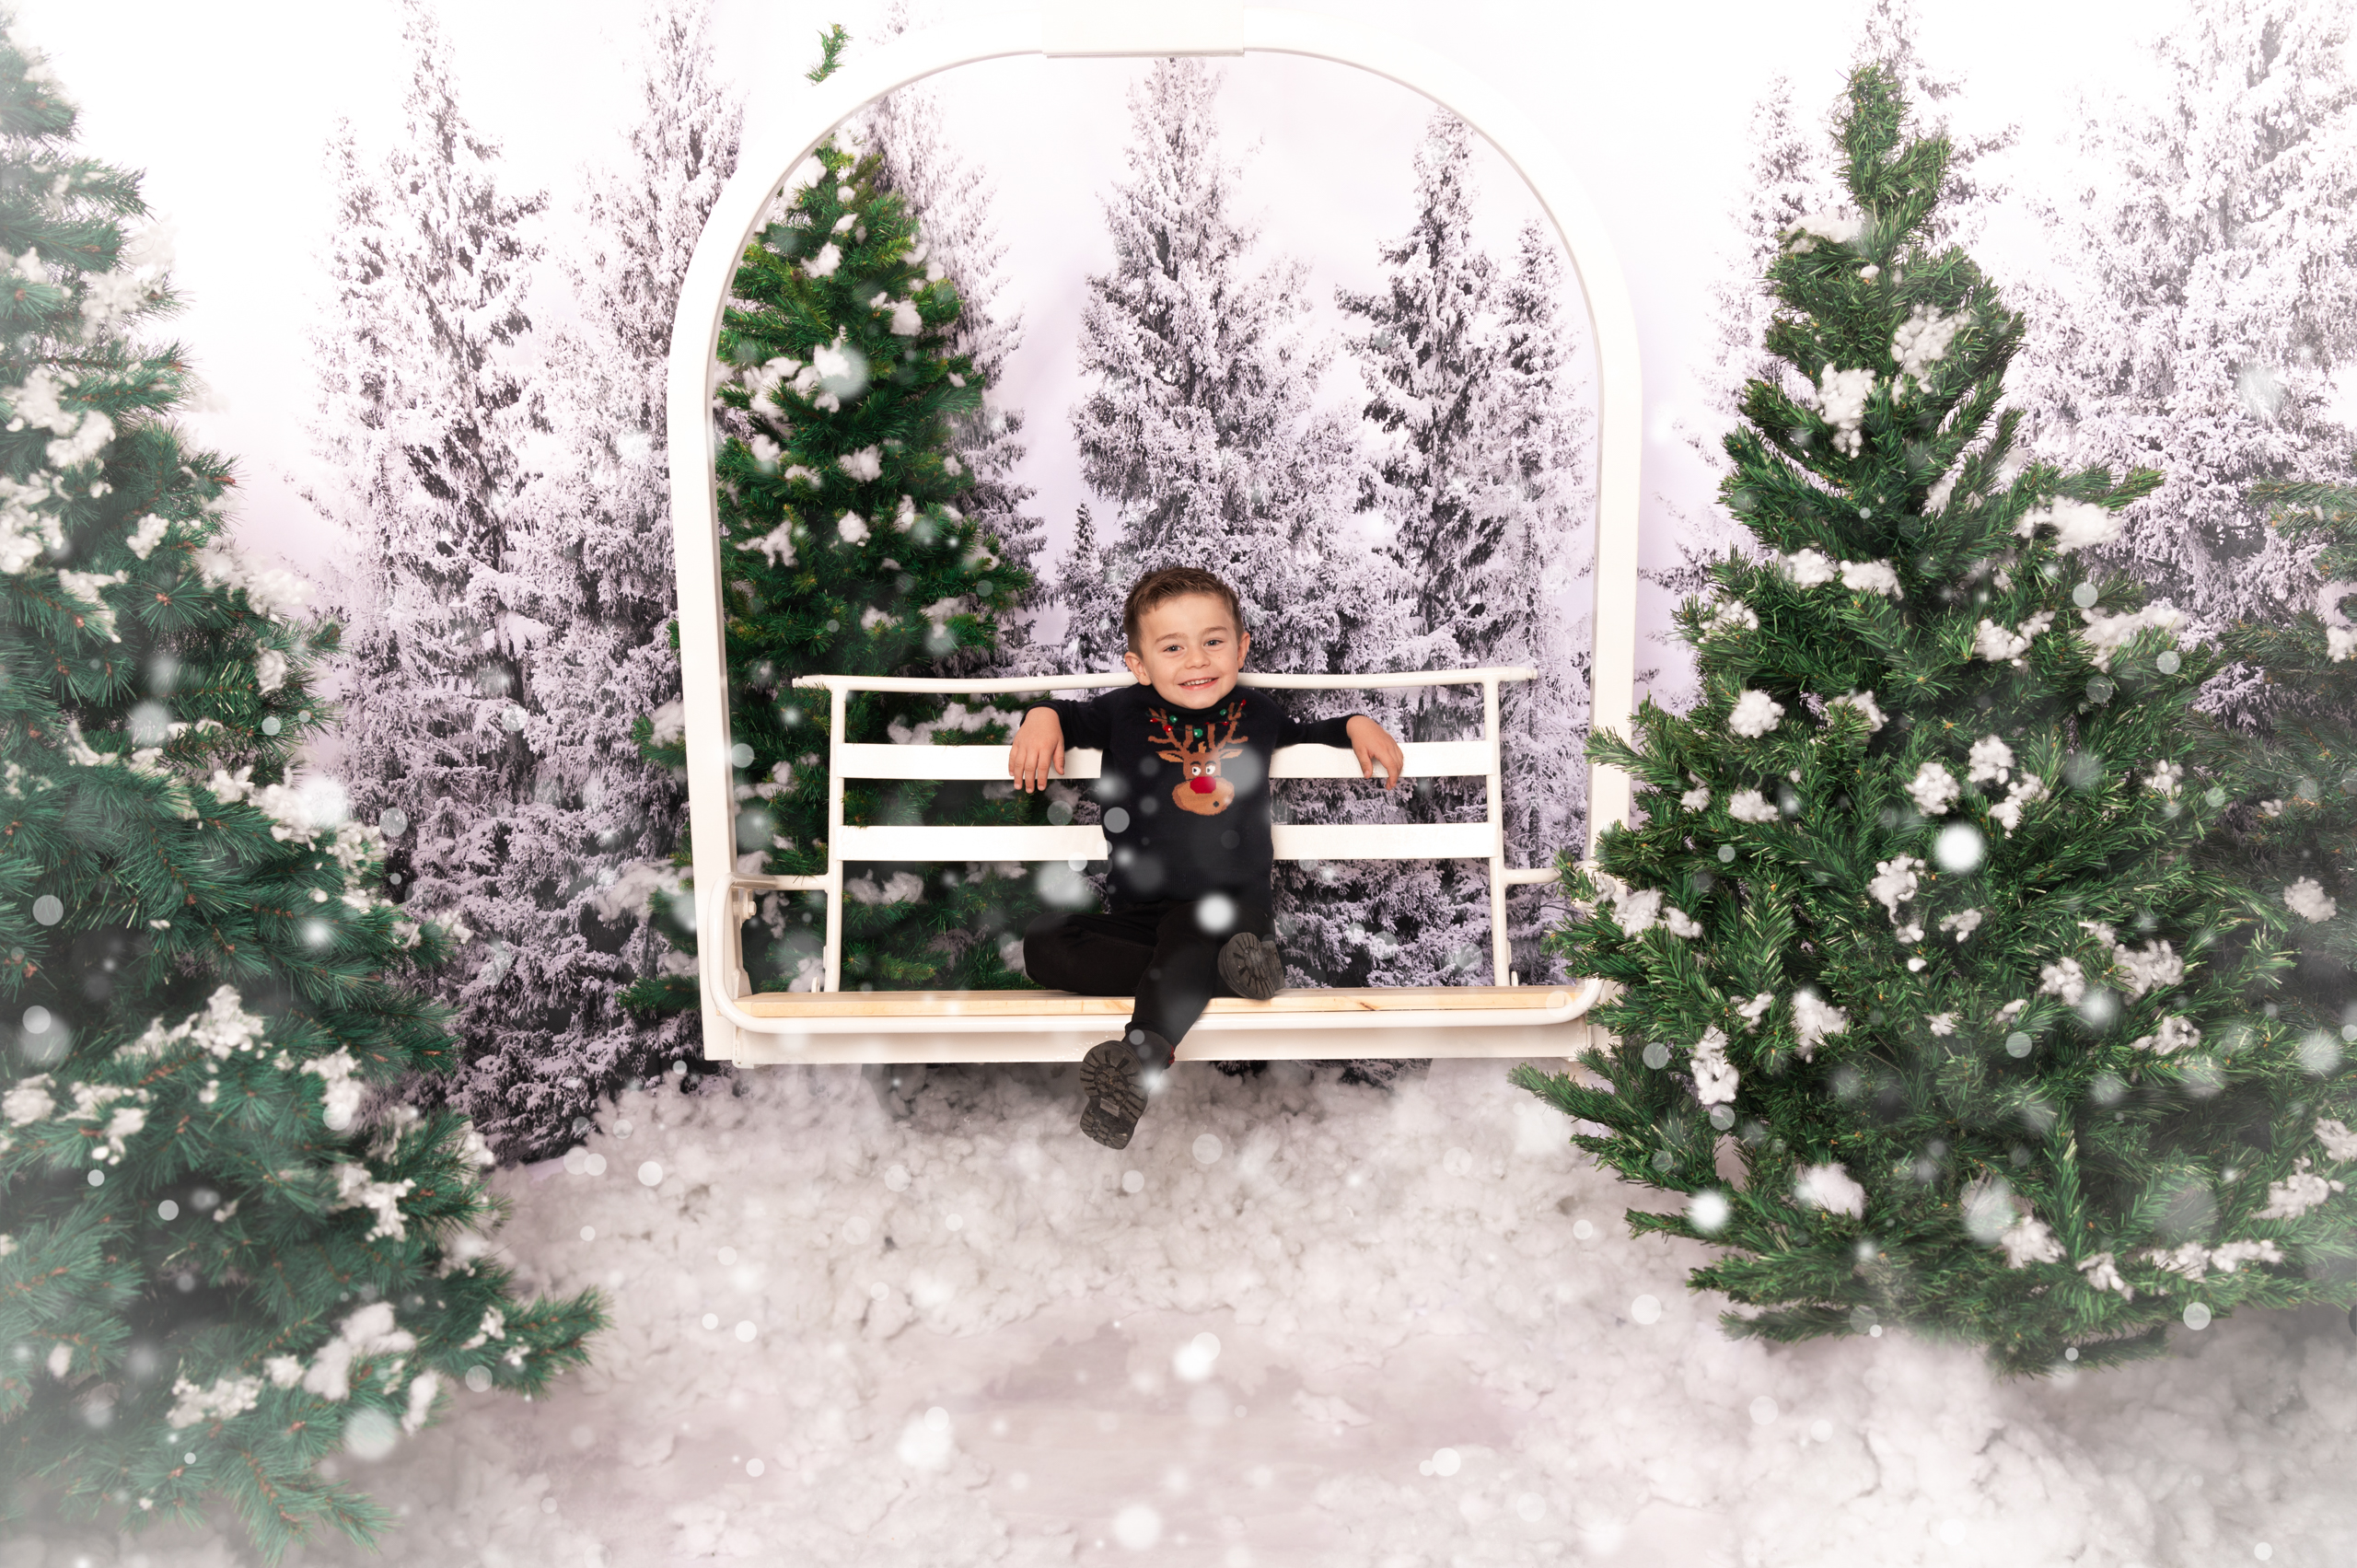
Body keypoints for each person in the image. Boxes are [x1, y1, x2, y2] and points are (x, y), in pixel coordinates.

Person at [1008, 566, 1405, 1149]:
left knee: (1194, 929)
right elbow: (1066, 715)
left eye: (1213, 641)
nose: (1197, 659)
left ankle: (1142, 1058)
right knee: (1045, 943)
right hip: (1143, 919)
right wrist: (1041, 716)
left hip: (1230, 914)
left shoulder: (1257, 712)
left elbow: (1308, 731)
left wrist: (1355, 723)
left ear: (1241, 648)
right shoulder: (1122, 712)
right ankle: (1229, 976)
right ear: (1139, 664)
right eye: (1173, 647)